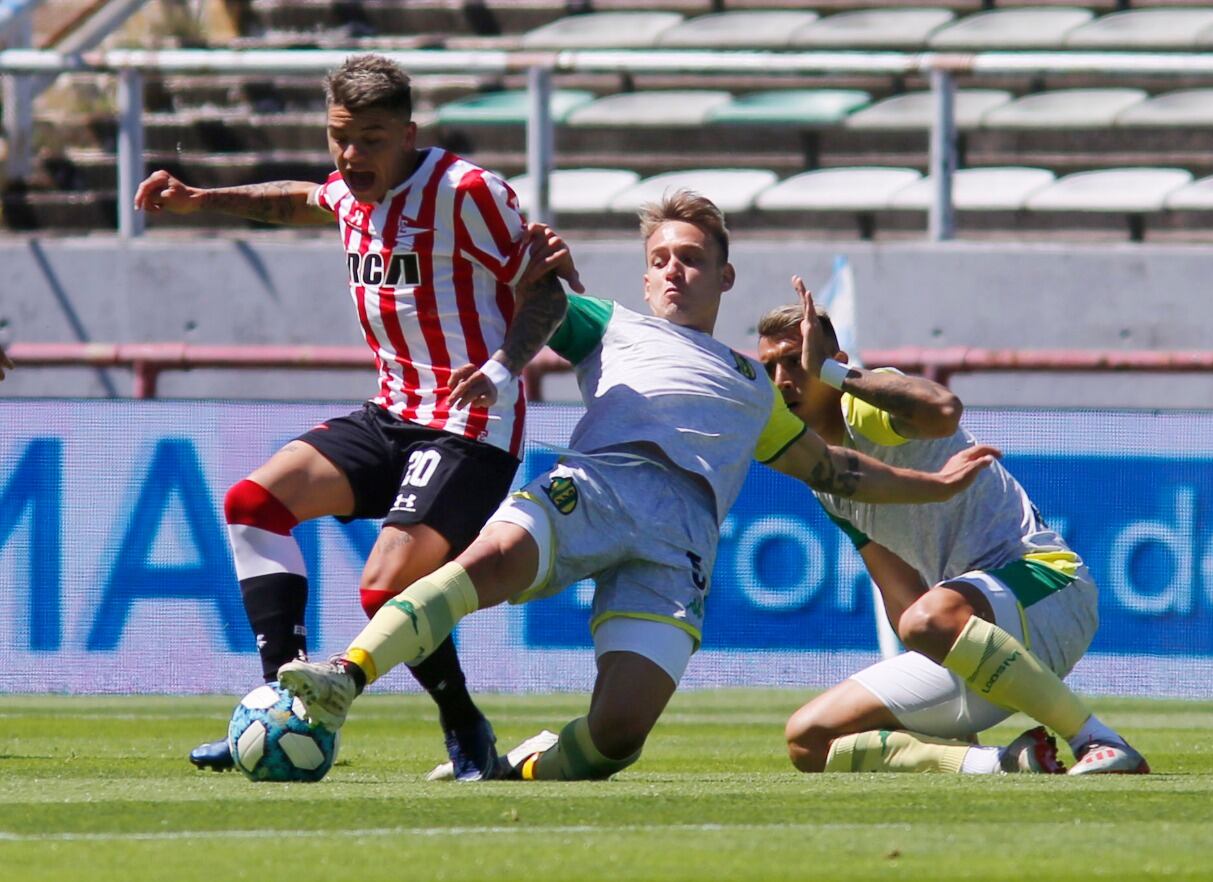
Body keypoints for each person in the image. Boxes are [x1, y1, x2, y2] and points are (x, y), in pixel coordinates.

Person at [276, 190, 999, 782]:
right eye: (660, 260)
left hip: (681, 541)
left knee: (618, 735)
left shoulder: (755, 386)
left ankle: (512, 772)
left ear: (725, 276)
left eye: (691, 258)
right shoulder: (608, 324)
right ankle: (347, 672)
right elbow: (533, 303)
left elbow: (837, 469)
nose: (674, 270)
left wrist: (931, 487)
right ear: (646, 277)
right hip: (598, 483)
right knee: (483, 564)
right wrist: (525, 279)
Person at [133, 54, 580, 780]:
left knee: (383, 587)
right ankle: (283, 701)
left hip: (469, 425)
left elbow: (551, 291)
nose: (351, 155)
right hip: (391, 412)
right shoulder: (350, 189)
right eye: (340, 136)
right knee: (254, 503)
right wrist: (198, 197)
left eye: (371, 139)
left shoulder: (466, 192)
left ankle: (464, 726)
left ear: (408, 134)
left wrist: (500, 370)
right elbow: (304, 199)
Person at [754, 281, 1150, 776]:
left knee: (927, 619)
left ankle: (1097, 739)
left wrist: (833, 373)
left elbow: (944, 410)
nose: (782, 377)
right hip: (970, 628)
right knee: (810, 742)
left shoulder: (867, 404)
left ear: (833, 359)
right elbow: (898, 590)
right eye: (769, 366)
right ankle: (1000, 763)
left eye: (794, 360)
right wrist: (943, 688)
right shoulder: (823, 474)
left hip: (1048, 587)